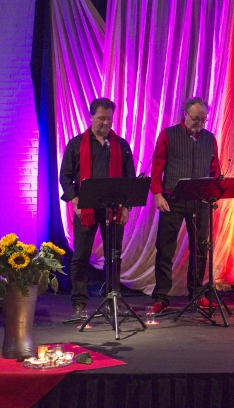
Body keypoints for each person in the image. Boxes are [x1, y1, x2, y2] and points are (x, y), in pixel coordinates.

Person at [59, 98, 135, 316]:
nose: (106, 123)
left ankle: (113, 299)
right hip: (86, 208)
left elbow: (130, 179)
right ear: (90, 117)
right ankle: (79, 303)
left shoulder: (120, 145)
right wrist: (76, 202)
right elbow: (65, 177)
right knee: (81, 255)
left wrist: (126, 207)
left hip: (113, 208)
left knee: (114, 255)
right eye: (101, 118)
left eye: (109, 119)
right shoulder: (76, 144)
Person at [149, 97, 222, 314]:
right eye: (196, 118)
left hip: (200, 201)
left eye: (203, 119)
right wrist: (158, 195)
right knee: (165, 249)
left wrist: (214, 191)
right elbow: (156, 168)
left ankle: (197, 293)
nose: (199, 123)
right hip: (172, 200)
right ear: (185, 114)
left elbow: (215, 169)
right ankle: (161, 297)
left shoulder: (209, 138)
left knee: (200, 249)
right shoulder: (168, 134)